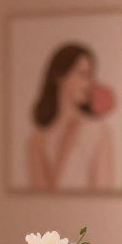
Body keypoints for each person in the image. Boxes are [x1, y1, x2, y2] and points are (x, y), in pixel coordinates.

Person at [26, 43, 115, 191]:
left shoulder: (99, 131)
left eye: (91, 76)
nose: (90, 84)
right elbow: (39, 198)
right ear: (60, 76)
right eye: (83, 75)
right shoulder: (37, 139)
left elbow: (102, 194)